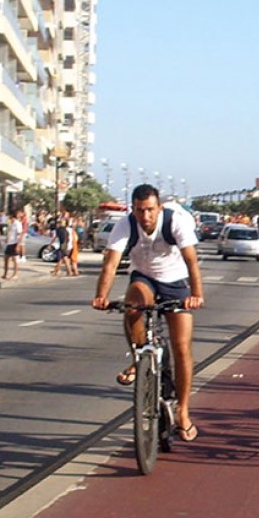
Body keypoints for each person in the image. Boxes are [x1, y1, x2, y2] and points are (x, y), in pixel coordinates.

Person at [93, 184, 205, 441]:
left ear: (159, 208)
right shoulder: (126, 225)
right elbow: (110, 263)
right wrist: (101, 296)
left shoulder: (175, 222)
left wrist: (196, 295)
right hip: (145, 277)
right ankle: (139, 357)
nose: (145, 217)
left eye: (150, 210)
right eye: (140, 210)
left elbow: (191, 260)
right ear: (133, 209)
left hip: (175, 281)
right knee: (132, 305)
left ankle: (183, 411)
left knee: (181, 346)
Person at [1, 209, 23, 280]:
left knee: (14, 259)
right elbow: (9, 232)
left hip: (15, 242)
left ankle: (15, 274)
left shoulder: (17, 223)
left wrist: (18, 245)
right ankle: (5, 273)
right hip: (9, 243)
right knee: (6, 258)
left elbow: (20, 234)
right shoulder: (10, 223)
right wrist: (7, 238)